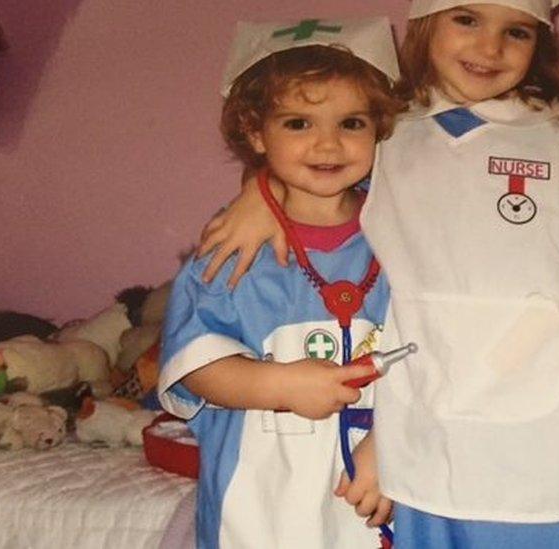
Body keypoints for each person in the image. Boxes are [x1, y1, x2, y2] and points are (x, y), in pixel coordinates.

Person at [194, 1, 559, 547]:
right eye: (467, 19)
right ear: (426, 24)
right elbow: (315, 174)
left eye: (517, 31)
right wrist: (260, 193)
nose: (489, 47)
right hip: (432, 427)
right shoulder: (384, 136)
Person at [158, 17, 406, 549]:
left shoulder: (402, 239)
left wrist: (397, 445)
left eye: (352, 123)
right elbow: (196, 365)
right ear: (255, 133)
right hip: (259, 504)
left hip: (372, 490)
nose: (328, 144)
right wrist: (282, 386)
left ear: (380, 130)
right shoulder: (233, 250)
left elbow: (434, 361)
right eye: (298, 124)